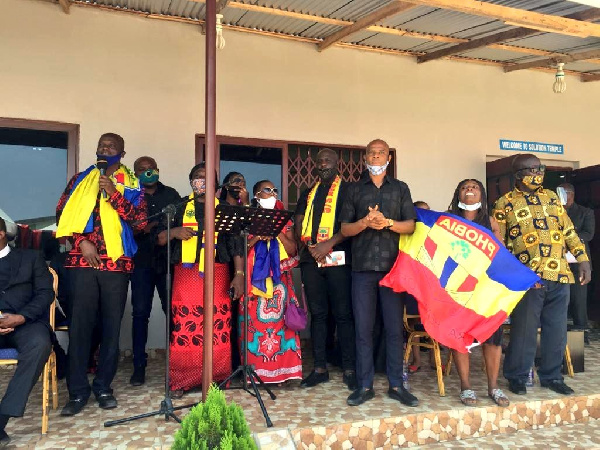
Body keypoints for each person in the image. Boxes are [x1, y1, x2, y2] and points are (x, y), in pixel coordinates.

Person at [56, 133, 147, 415]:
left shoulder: (132, 184)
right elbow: (62, 212)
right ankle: (77, 392)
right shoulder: (79, 180)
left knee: (111, 328)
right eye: (102, 145)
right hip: (81, 263)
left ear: (122, 153)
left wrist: (114, 194)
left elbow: (140, 223)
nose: (105, 149)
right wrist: (80, 240)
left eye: (111, 146)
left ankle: (103, 387)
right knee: (80, 328)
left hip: (116, 265)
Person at [493, 154, 591, 396]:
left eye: (540, 168)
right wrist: (517, 276)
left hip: (559, 274)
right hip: (528, 278)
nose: (538, 173)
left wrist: (583, 259)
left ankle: (551, 376)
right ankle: (516, 376)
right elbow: (500, 246)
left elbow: (568, 230)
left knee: (556, 329)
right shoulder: (503, 204)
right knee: (524, 329)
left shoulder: (551, 198)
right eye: (531, 170)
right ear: (517, 175)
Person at [339, 139, 418, 407]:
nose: (375, 156)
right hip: (361, 270)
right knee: (363, 329)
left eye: (381, 152)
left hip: (393, 270)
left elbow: (411, 225)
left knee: (395, 329)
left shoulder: (400, 188)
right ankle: (365, 385)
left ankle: (396, 385)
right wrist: (364, 222)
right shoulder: (353, 190)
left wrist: (387, 223)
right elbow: (345, 229)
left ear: (388, 158)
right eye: (371, 153)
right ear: (365, 158)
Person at [159, 163, 244, 396]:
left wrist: (238, 275)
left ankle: (216, 378)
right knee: (186, 329)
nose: (202, 181)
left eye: (207, 177)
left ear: (216, 184)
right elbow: (158, 238)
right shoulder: (176, 208)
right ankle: (181, 379)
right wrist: (173, 233)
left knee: (218, 327)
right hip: (186, 274)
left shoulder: (225, 209)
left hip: (218, 273)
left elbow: (236, 245)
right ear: (191, 182)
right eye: (198, 177)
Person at [295, 148, 356, 390]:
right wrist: (311, 245)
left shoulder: (349, 190)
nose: (323, 164)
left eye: (328, 160)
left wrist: (327, 244)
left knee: (343, 314)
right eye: (319, 161)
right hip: (311, 259)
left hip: (338, 258)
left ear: (337, 163)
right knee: (318, 315)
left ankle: (350, 367)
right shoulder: (308, 192)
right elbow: (300, 220)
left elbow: (351, 225)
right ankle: (319, 367)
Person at [447, 179, 510, 407]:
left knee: (492, 338)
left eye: (474, 187)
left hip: (486, 288)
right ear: (458, 194)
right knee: (460, 337)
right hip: (458, 288)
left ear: (481, 194)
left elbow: (500, 250)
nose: (470, 190)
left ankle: (493, 386)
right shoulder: (449, 219)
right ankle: (466, 387)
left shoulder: (490, 221)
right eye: (464, 187)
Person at [240, 180, 302, 384]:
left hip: (279, 282)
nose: (273, 193)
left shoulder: (285, 220)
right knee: (253, 327)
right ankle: (255, 374)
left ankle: (287, 372)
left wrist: (277, 231)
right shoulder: (246, 218)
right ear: (257, 195)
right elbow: (240, 249)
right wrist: (259, 236)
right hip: (254, 281)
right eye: (267, 190)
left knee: (283, 327)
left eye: (275, 190)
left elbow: (293, 249)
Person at [0, 217, 54, 447]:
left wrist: (21, 317)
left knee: (40, 344)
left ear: (1, 234)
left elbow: (45, 294)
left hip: (26, 323)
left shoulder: (30, 258)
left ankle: (1, 418)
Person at [129, 156, 181, 386]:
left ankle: (177, 363)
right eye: (142, 169)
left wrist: (159, 230)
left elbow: (180, 224)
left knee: (173, 312)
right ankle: (139, 365)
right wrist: (148, 228)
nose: (147, 172)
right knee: (140, 313)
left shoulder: (171, 195)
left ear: (157, 170)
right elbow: (126, 226)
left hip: (167, 262)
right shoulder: (131, 195)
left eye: (151, 169)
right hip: (140, 262)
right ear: (135, 173)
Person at [558, 183, 595, 345]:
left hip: (577, 262)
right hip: (556, 263)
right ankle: (559, 336)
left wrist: (568, 239)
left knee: (578, 300)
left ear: (571, 194)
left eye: (563, 193)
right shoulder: (552, 211)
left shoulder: (585, 212)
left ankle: (582, 336)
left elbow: (588, 234)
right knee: (558, 300)